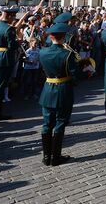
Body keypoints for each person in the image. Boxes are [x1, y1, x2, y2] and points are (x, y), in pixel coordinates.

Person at [38, 23, 78, 166]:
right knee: (60, 122)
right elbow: (74, 75)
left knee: (47, 123)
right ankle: (56, 156)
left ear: (51, 36)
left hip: (48, 88)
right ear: (63, 37)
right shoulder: (68, 54)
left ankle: (46, 156)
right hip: (63, 89)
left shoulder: (42, 52)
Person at [0, 7, 19, 121]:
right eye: (13, 17)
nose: (14, 19)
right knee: (0, 87)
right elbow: (12, 46)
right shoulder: (9, 29)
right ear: (9, 16)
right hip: (5, 59)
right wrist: (18, 42)